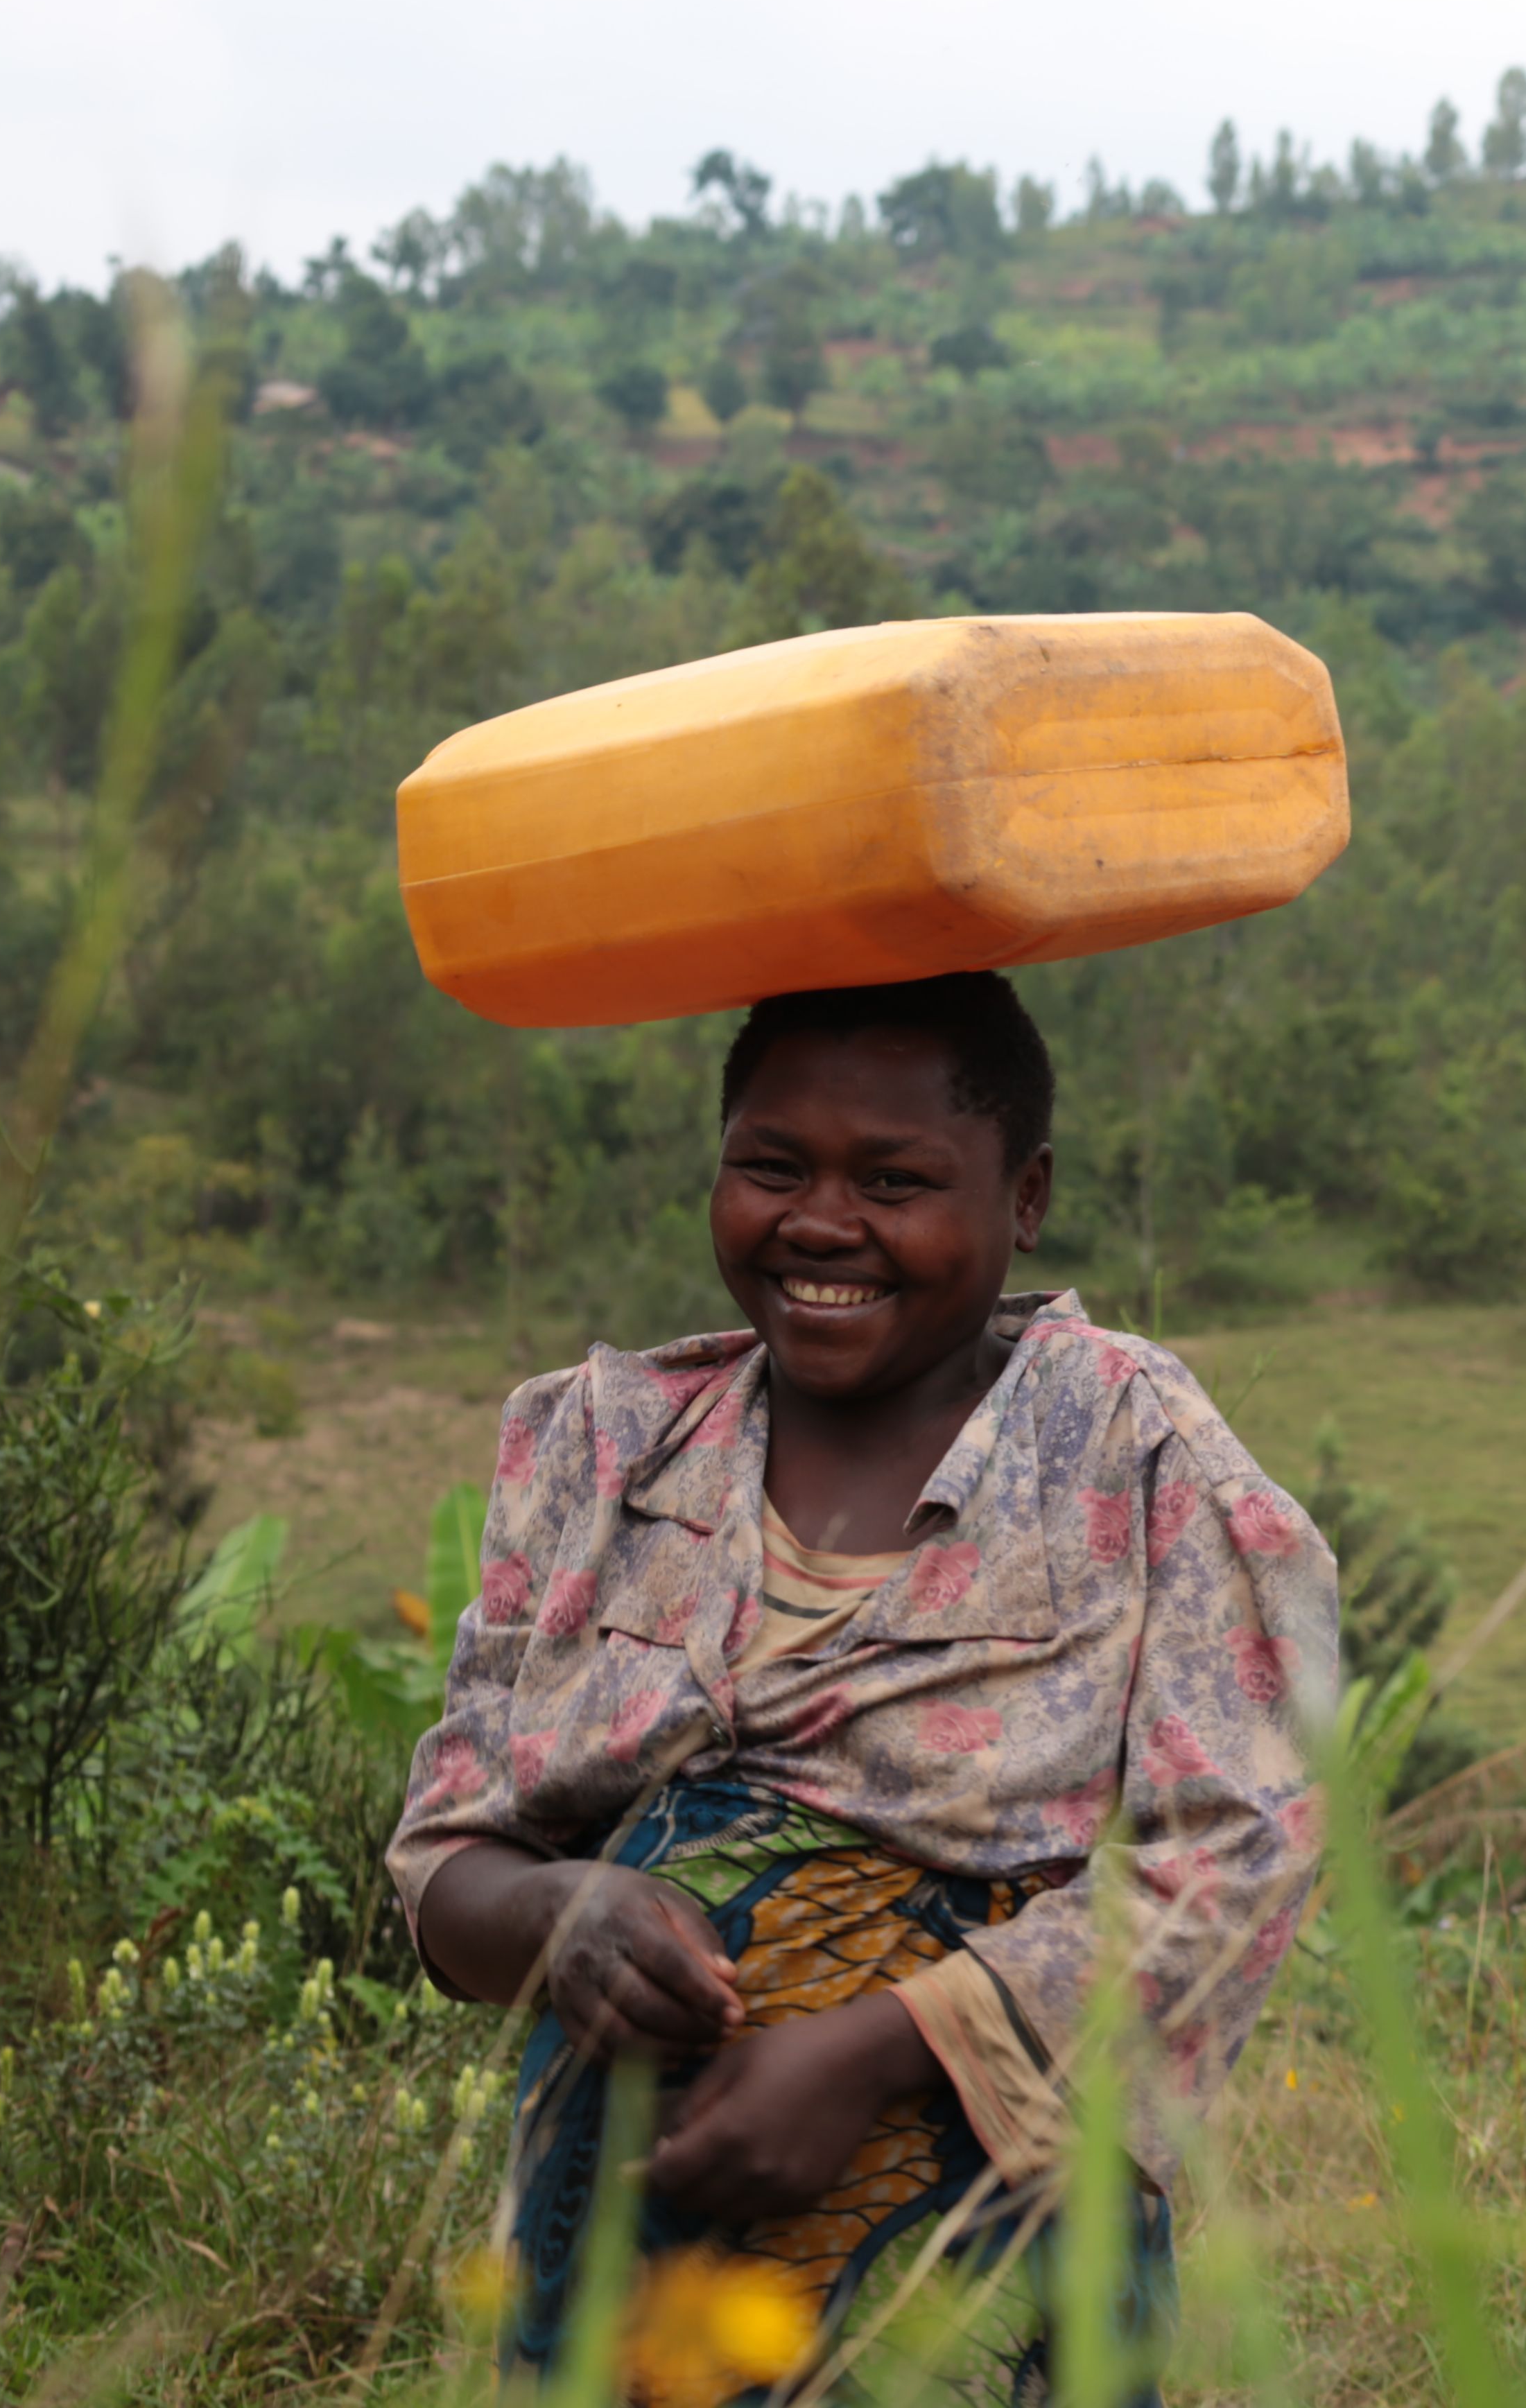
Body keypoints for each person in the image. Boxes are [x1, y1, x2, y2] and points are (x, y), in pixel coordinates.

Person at [387, 972, 1338, 2397]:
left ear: (1025, 1198)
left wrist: (882, 2052)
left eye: (895, 1180)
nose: (822, 1224)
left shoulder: (1126, 1448)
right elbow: (445, 1855)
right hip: (622, 2257)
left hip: (977, 2272)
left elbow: (1248, 1849)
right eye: (773, 1167)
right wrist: (555, 1913)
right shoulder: (600, 1450)